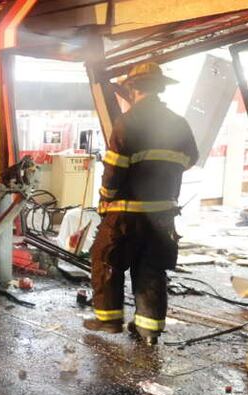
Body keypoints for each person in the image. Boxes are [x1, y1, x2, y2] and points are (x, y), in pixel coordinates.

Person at [84, 62, 199, 345]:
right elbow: (191, 159)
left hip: (126, 213)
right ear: (160, 88)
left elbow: (114, 169)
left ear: (133, 89)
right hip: (162, 215)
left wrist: (105, 196)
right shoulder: (179, 123)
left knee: (106, 260)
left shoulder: (128, 122)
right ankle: (149, 331)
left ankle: (109, 320)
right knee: (151, 267)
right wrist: (162, 177)